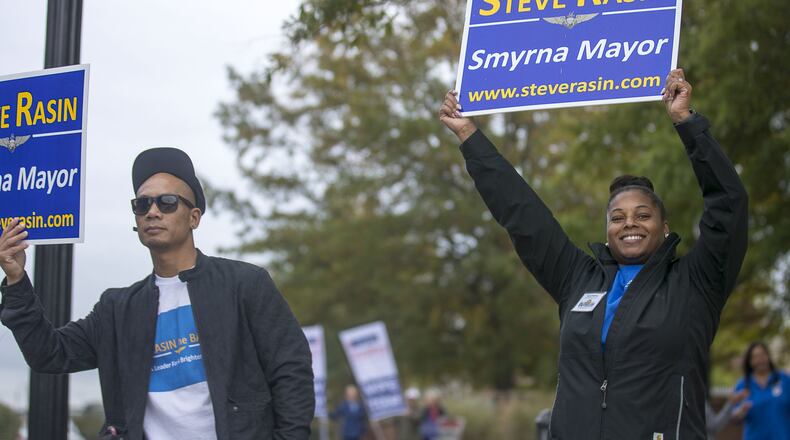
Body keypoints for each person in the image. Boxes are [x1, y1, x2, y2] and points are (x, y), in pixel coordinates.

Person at [439, 69, 748, 439]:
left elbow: (729, 206)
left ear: (664, 227)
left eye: (643, 215)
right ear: (607, 229)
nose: (629, 223)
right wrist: (469, 136)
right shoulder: (577, 278)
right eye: (617, 217)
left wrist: (687, 122)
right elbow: (523, 215)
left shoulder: (695, 283)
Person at [0, 147, 314, 439]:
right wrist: (16, 280)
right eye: (142, 204)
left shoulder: (244, 283)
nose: (152, 211)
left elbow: (291, 369)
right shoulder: (117, 309)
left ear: (194, 217)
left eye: (166, 202)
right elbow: (49, 353)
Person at [731, 342, 790, 440]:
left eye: (763, 355)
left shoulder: (784, 380)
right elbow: (734, 417)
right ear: (749, 361)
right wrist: (739, 412)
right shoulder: (743, 385)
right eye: (755, 357)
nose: (760, 360)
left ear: (768, 356)